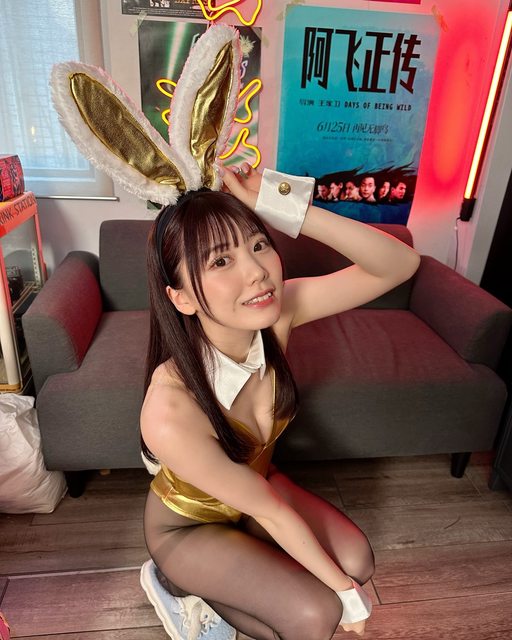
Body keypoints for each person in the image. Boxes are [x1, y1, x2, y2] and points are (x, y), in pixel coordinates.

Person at [139, 162, 420, 640]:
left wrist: (279, 202)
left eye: (258, 244)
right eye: (220, 262)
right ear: (181, 298)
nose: (257, 272)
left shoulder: (278, 315)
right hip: (188, 527)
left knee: (358, 560)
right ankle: (175, 585)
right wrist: (344, 594)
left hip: (258, 494)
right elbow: (270, 510)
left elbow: (399, 265)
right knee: (314, 615)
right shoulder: (168, 409)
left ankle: (237, 581)